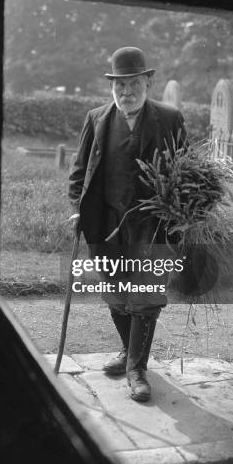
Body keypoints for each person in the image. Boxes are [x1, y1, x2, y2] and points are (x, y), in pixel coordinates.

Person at [68, 46, 187, 402]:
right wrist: (77, 208)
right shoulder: (97, 119)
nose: (126, 93)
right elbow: (78, 174)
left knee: (147, 297)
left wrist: (184, 212)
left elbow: (187, 172)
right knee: (115, 293)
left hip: (154, 227)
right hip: (106, 224)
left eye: (133, 84)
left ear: (148, 82)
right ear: (112, 87)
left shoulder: (169, 119)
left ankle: (137, 369)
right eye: (119, 86)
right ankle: (128, 351)